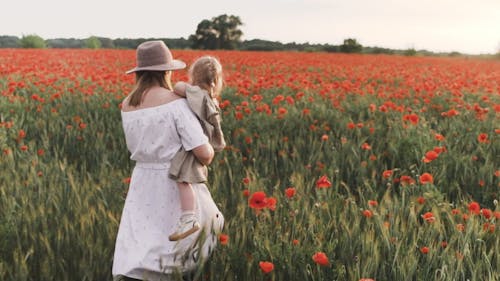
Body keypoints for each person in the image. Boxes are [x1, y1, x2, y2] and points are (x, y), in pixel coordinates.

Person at [112, 40, 224, 281]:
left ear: (139, 72)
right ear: (167, 71)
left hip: (142, 182)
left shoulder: (127, 105)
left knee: (144, 247)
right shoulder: (176, 104)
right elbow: (203, 152)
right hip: (174, 181)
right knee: (195, 239)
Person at [168, 56, 226, 242]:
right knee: (191, 181)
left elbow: (177, 87)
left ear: (194, 76)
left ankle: (189, 218)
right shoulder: (211, 100)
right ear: (216, 81)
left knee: (183, 180)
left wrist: (186, 85)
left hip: (192, 146)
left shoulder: (195, 93)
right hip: (203, 144)